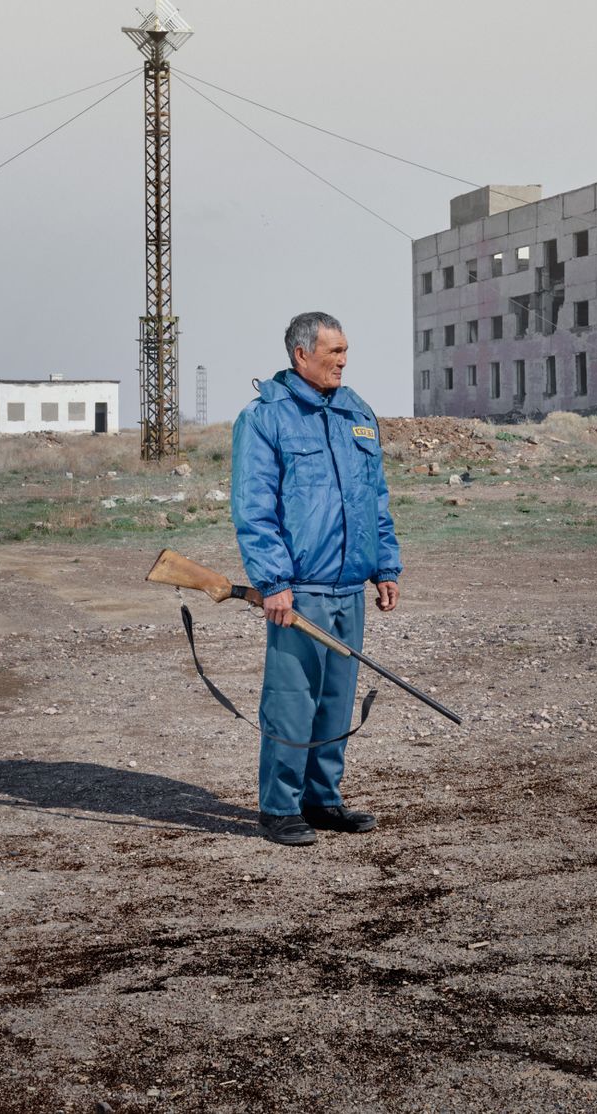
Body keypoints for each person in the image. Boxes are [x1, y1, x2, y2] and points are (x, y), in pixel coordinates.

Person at [231, 311, 401, 846]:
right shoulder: (264, 419)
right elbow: (253, 510)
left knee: (335, 699)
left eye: (346, 351)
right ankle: (279, 808)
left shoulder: (358, 413)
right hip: (298, 590)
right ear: (301, 355)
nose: (343, 361)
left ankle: (322, 800)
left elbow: (375, 498)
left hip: (350, 587)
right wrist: (273, 581)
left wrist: (385, 566)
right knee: (291, 699)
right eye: (333, 352)